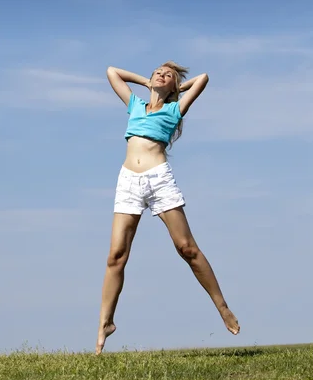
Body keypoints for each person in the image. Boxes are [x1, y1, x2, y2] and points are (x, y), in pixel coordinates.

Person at [96, 62, 240, 354]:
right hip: (128, 182)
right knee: (116, 257)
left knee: (187, 248)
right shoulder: (134, 104)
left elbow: (203, 77)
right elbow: (112, 72)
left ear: (175, 86)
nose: (162, 75)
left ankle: (222, 307)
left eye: (169, 75)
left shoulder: (175, 109)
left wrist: (177, 88)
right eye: (158, 72)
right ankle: (105, 324)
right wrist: (148, 83)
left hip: (159, 181)